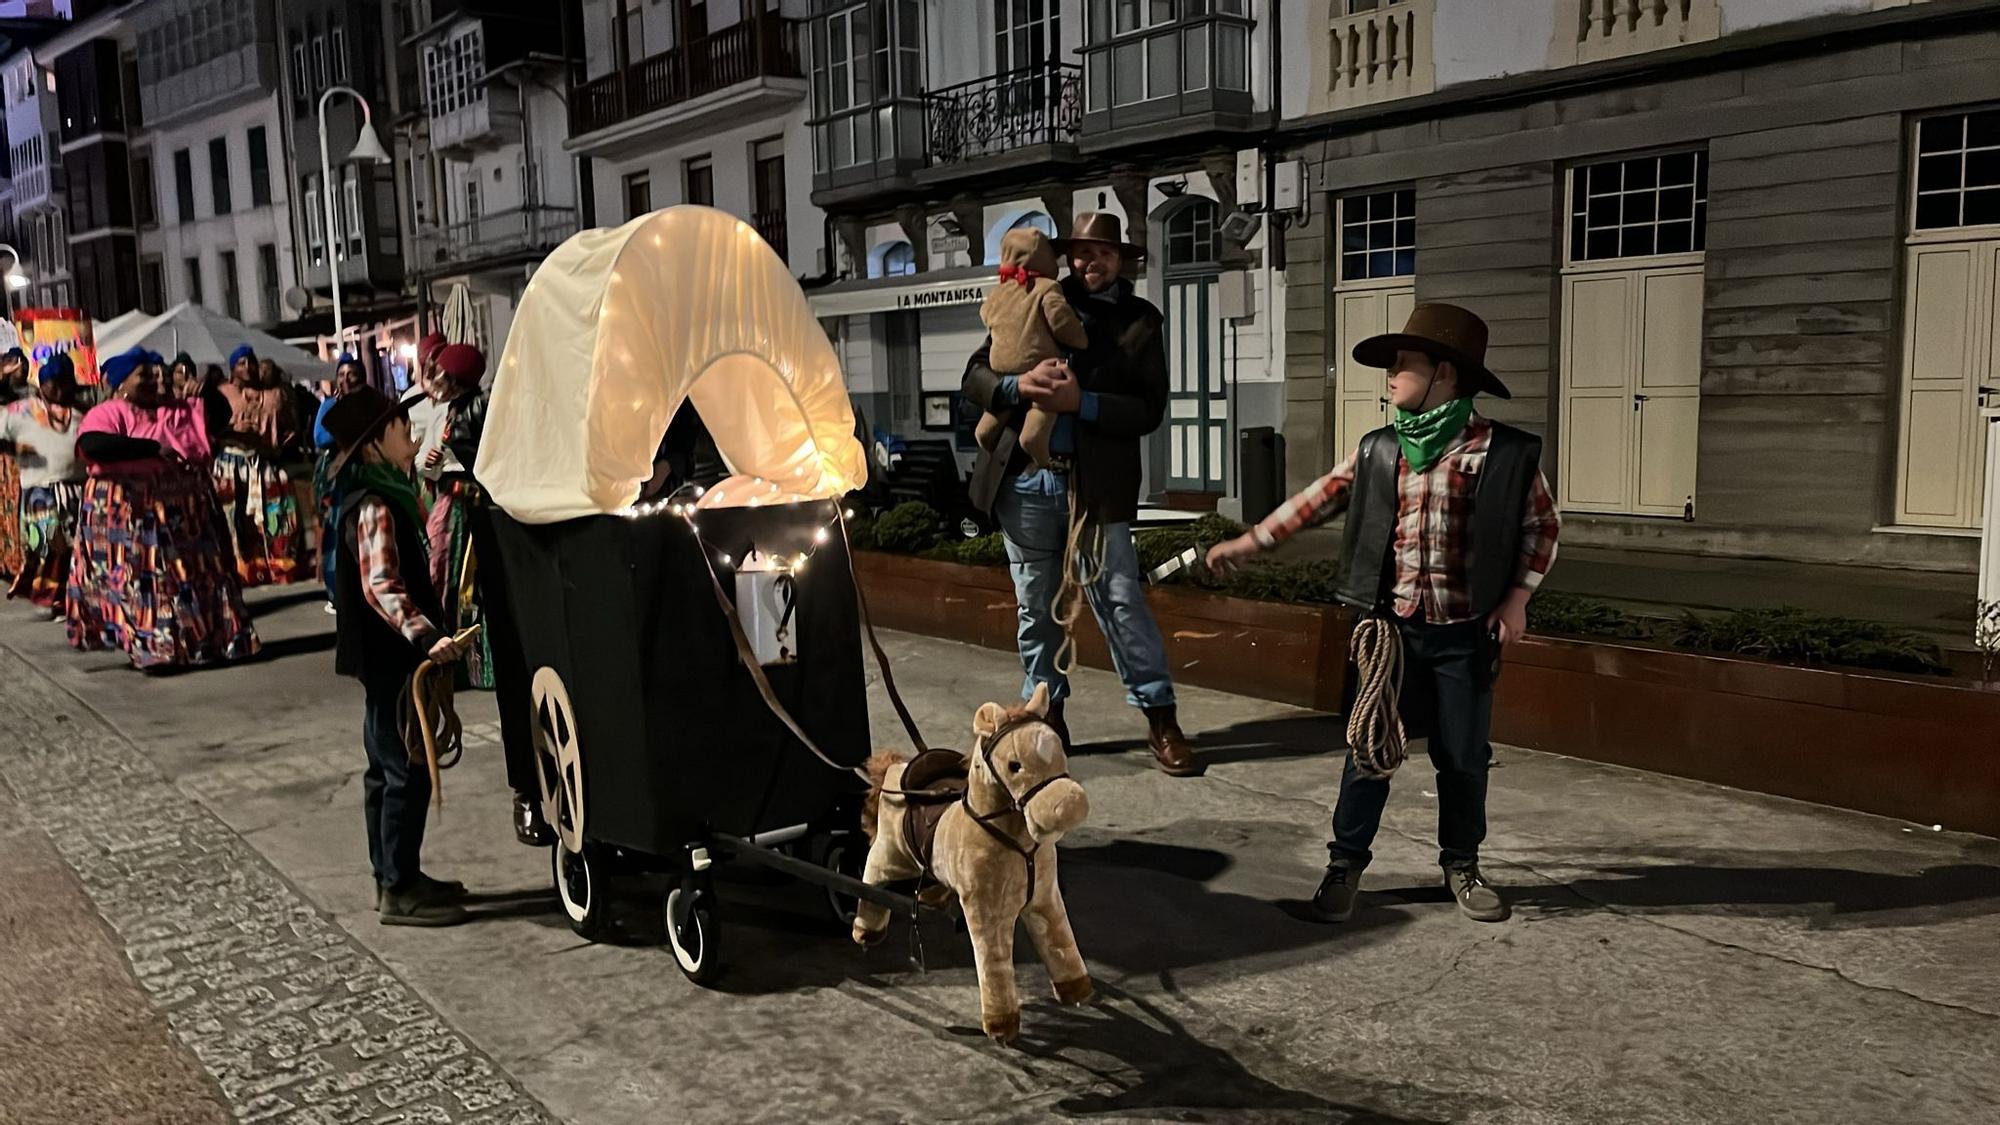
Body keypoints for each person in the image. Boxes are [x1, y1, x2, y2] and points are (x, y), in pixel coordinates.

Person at [1206, 304, 1561, 925]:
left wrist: (1517, 599)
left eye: (1404, 365)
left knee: (1463, 756)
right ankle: (1344, 867)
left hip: (1464, 634)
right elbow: (1319, 498)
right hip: (1392, 634)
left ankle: (1462, 864)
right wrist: (1252, 541)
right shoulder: (1381, 448)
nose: (1391, 377)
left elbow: (1543, 526)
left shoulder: (1502, 453)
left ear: (1444, 375)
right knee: (1368, 749)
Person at [960, 212, 1197, 777]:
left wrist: (1080, 404)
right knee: (1034, 605)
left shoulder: (1141, 321)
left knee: (1120, 600)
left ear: (1122, 260)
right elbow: (975, 375)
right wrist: (1016, 387)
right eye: (1083, 253)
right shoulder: (1029, 292)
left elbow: (1148, 409)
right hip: (1024, 481)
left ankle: (1160, 718)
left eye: (1105, 254)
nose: (1092, 263)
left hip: (1096, 488)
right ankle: (1048, 714)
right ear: (1069, 256)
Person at [321, 385, 470, 926]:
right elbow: (381, 586)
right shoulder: (375, 504)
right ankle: (398, 888)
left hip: (386, 658)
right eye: (397, 427)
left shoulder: (388, 493)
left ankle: (396, 873)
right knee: (404, 769)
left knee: (387, 770)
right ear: (371, 448)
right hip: (391, 658)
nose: (408, 431)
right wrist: (428, 636)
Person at [69, 347, 259, 669]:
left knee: (194, 579)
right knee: (149, 580)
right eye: (143, 375)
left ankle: (204, 641)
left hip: (186, 514)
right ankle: (157, 646)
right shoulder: (110, 412)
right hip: (137, 513)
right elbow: (93, 445)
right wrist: (152, 448)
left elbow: (218, 415)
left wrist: (207, 391)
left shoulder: (176, 409)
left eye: (156, 373)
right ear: (121, 383)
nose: (154, 379)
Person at [407, 343, 494, 686]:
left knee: (474, 583)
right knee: (444, 575)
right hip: (449, 502)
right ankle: (453, 660)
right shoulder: (444, 411)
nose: (435, 380)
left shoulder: (479, 407)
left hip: (471, 504)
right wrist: (429, 465)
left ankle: (479, 664)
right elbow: (426, 460)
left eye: (442, 374)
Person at [975, 228, 1089, 469]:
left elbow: (985, 315)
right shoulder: (1047, 287)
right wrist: (1080, 337)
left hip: (1003, 368)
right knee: (1042, 410)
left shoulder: (1000, 292)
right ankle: (1036, 447)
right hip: (1040, 365)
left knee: (994, 418)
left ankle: (985, 433)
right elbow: (1060, 320)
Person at [213, 345, 304, 586]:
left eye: (250, 361)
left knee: (277, 516)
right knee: (234, 520)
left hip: (266, 463)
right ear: (232, 369)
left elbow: (292, 424)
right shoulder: (222, 394)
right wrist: (232, 430)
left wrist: (283, 440)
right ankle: (241, 570)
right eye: (240, 363)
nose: (247, 367)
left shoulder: (276, 394)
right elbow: (208, 430)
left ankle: (276, 568)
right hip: (231, 464)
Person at [3, 353, 84, 610]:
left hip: (76, 489)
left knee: (76, 547)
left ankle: (67, 597)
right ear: (42, 383)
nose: (59, 389)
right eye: (53, 383)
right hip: (40, 490)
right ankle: (47, 595)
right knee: (47, 545)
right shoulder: (20, 410)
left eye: (65, 382)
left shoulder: (84, 412)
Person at [314, 355, 369, 612]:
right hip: (337, 477)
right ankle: (337, 589)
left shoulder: (372, 402)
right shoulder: (329, 405)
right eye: (341, 375)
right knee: (335, 532)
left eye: (352, 374)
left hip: (366, 472)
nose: (345, 380)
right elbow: (321, 437)